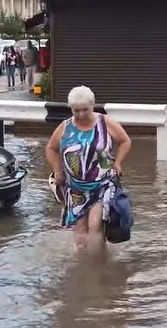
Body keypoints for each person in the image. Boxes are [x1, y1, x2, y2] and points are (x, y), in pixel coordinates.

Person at [46, 86, 132, 252]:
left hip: (102, 183)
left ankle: (96, 264)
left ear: (92, 106)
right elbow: (50, 148)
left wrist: (118, 163)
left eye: (85, 110)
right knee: (80, 228)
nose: (80, 114)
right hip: (75, 187)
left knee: (95, 224)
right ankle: (82, 263)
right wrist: (58, 171)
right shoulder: (66, 126)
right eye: (76, 110)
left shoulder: (104, 122)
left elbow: (125, 141)